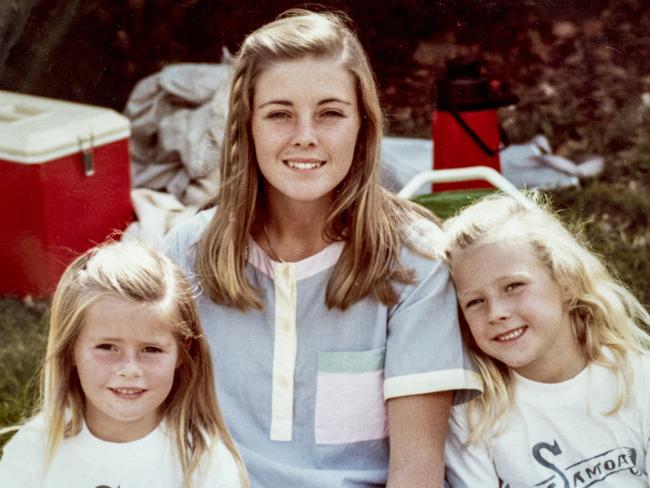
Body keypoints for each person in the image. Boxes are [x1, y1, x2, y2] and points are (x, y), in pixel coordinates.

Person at [163, 8, 480, 488]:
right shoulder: (185, 253)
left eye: (330, 113)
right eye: (279, 114)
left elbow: (416, 471)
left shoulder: (416, 263)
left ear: (364, 126)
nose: (305, 136)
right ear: (247, 126)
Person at [0, 241, 248, 488]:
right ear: (70, 349)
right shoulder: (32, 452)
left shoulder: (205, 463)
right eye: (107, 347)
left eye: (151, 349)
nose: (130, 369)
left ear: (183, 353)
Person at [442, 193, 650, 487]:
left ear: (566, 283)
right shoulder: (472, 415)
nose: (496, 313)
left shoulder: (637, 378)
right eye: (475, 302)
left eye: (513, 286)